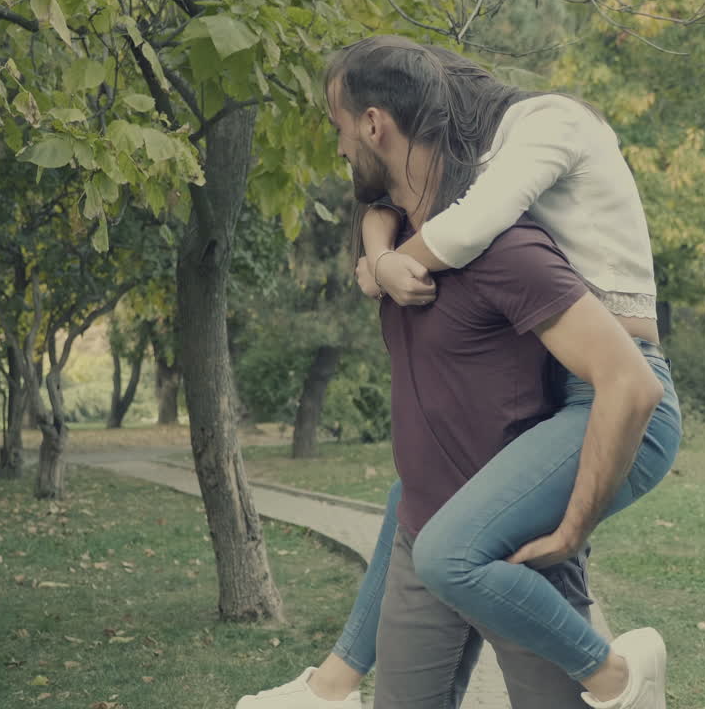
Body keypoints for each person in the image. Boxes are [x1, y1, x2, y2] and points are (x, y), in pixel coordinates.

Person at [237, 36, 681, 709]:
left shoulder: (539, 145)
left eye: (338, 128)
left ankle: (616, 674)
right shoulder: (477, 175)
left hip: (620, 389)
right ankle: (333, 684)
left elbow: (468, 231)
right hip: (565, 395)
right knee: (411, 500)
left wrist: (572, 530)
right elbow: (396, 207)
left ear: (376, 122)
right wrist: (378, 253)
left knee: (448, 551)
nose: (336, 147)